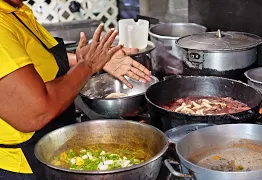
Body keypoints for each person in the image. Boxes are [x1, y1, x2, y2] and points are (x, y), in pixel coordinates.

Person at [0, 0, 152, 179]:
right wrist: (88, 65)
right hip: (24, 167)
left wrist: (89, 59)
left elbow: (37, 61)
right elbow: (34, 112)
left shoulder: (16, 11)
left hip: (55, 148)